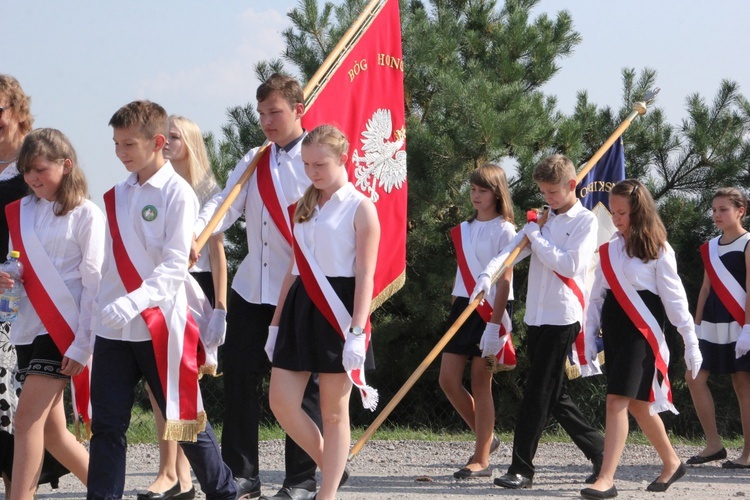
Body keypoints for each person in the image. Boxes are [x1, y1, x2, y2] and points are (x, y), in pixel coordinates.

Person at [86, 100, 236, 500]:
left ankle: (224, 492)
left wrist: (132, 302)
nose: (121, 153)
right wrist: (97, 315)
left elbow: (173, 268)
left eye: (129, 144)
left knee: (184, 421)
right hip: (114, 328)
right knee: (107, 425)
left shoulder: (178, 193)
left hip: (160, 324)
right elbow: (106, 262)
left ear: (156, 142)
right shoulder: (115, 194)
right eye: (116, 144)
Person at [193, 73, 323, 500]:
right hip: (251, 288)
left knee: (301, 387)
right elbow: (223, 205)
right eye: (261, 113)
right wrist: (199, 231)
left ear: (298, 109)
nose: (267, 121)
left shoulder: (316, 159)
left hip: (300, 288)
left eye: (275, 112)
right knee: (240, 383)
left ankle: (302, 479)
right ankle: (242, 474)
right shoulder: (254, 158)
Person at [471, 154, 605, 489]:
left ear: (572, 185)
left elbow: (569, 266)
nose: (548, 198)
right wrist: (488, 274)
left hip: (564, 316)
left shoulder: (584, 222)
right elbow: (514, 250)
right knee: (553, 394)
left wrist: (537, 234)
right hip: (537, 316)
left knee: (536, 392)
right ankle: (602, 451)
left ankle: (522, 469)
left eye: (553, 192)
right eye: (544, 192)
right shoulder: (543, 219)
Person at [266, 124, 379, 500]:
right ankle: (331, 464)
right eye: (307, 164)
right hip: (302, 303)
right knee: (280, 401)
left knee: (334, 412)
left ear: (342, 159)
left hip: (340, 308)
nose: (313, 171)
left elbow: (366, 274)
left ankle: (327, 492)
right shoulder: (304, 204)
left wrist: (358, 331)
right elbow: (294, 268)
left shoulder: (361, 207)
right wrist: (275, 323)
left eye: (320, 164)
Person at [580, 179, 703, 499]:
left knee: (616, 401)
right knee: (638, 406)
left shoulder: (658, 249)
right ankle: (672, 462)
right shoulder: (607, 249)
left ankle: (606, 478)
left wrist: (690, 339)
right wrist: (589, 335)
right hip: (616, 334)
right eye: (614, 211)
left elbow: (676, 301)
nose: (616, 217)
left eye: (623, 212)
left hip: (642, 336)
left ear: (639, 211)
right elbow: (596, 297)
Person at [0, 128, 103, 500]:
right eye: (26, 170)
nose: (32, 178)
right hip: (27, 325)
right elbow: (19, 266)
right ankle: (108, 490)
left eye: (40, 169)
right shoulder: (20, 211)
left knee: (25, 420)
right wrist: (7, 278)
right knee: (52, 433)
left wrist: (83, 344)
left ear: (66, 165)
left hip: (64, 331)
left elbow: (95, 283)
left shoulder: (87, 214)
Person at [139, 115, 228, 500]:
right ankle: (172, 472)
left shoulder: (209, 191)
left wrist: (221, 307)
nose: (167, 142)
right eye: (165, 136)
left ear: (189, 142)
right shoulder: (152, 186)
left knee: (181, 383)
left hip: (196, 292)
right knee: (160, 381)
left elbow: (217, 252)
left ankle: (186, 473)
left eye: (175, 136)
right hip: (161, 287)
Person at [0, 75, 70, 494]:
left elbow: (57, 233)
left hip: (31, 305)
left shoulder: (37, 163)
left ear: (18, 111)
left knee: (22, 418)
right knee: (47, 427)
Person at [438, 163, 515, 479]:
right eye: (472, 189)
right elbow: (462, 275)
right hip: (463, 309)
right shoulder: (464, 228)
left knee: (481, 382)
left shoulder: (505, 229)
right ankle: (488, 438)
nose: (476, 195)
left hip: (490, 312)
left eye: (482, 190)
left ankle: (481, 458)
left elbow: (505, 280)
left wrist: (495, 326)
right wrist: (455, 305)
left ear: (497, 193)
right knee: (447, 379)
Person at [686, 187, 750, 469]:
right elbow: (705, 289)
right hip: (711, 323)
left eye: (723, 209)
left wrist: (748, 327)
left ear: (740, 211)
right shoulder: (710, 247)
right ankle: (713, 444)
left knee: (742, 383)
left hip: (740, 321)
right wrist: (695, 328)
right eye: (714, 210)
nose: (716, 215)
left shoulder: (748, 243)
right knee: (694, 376)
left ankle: (748, 454)